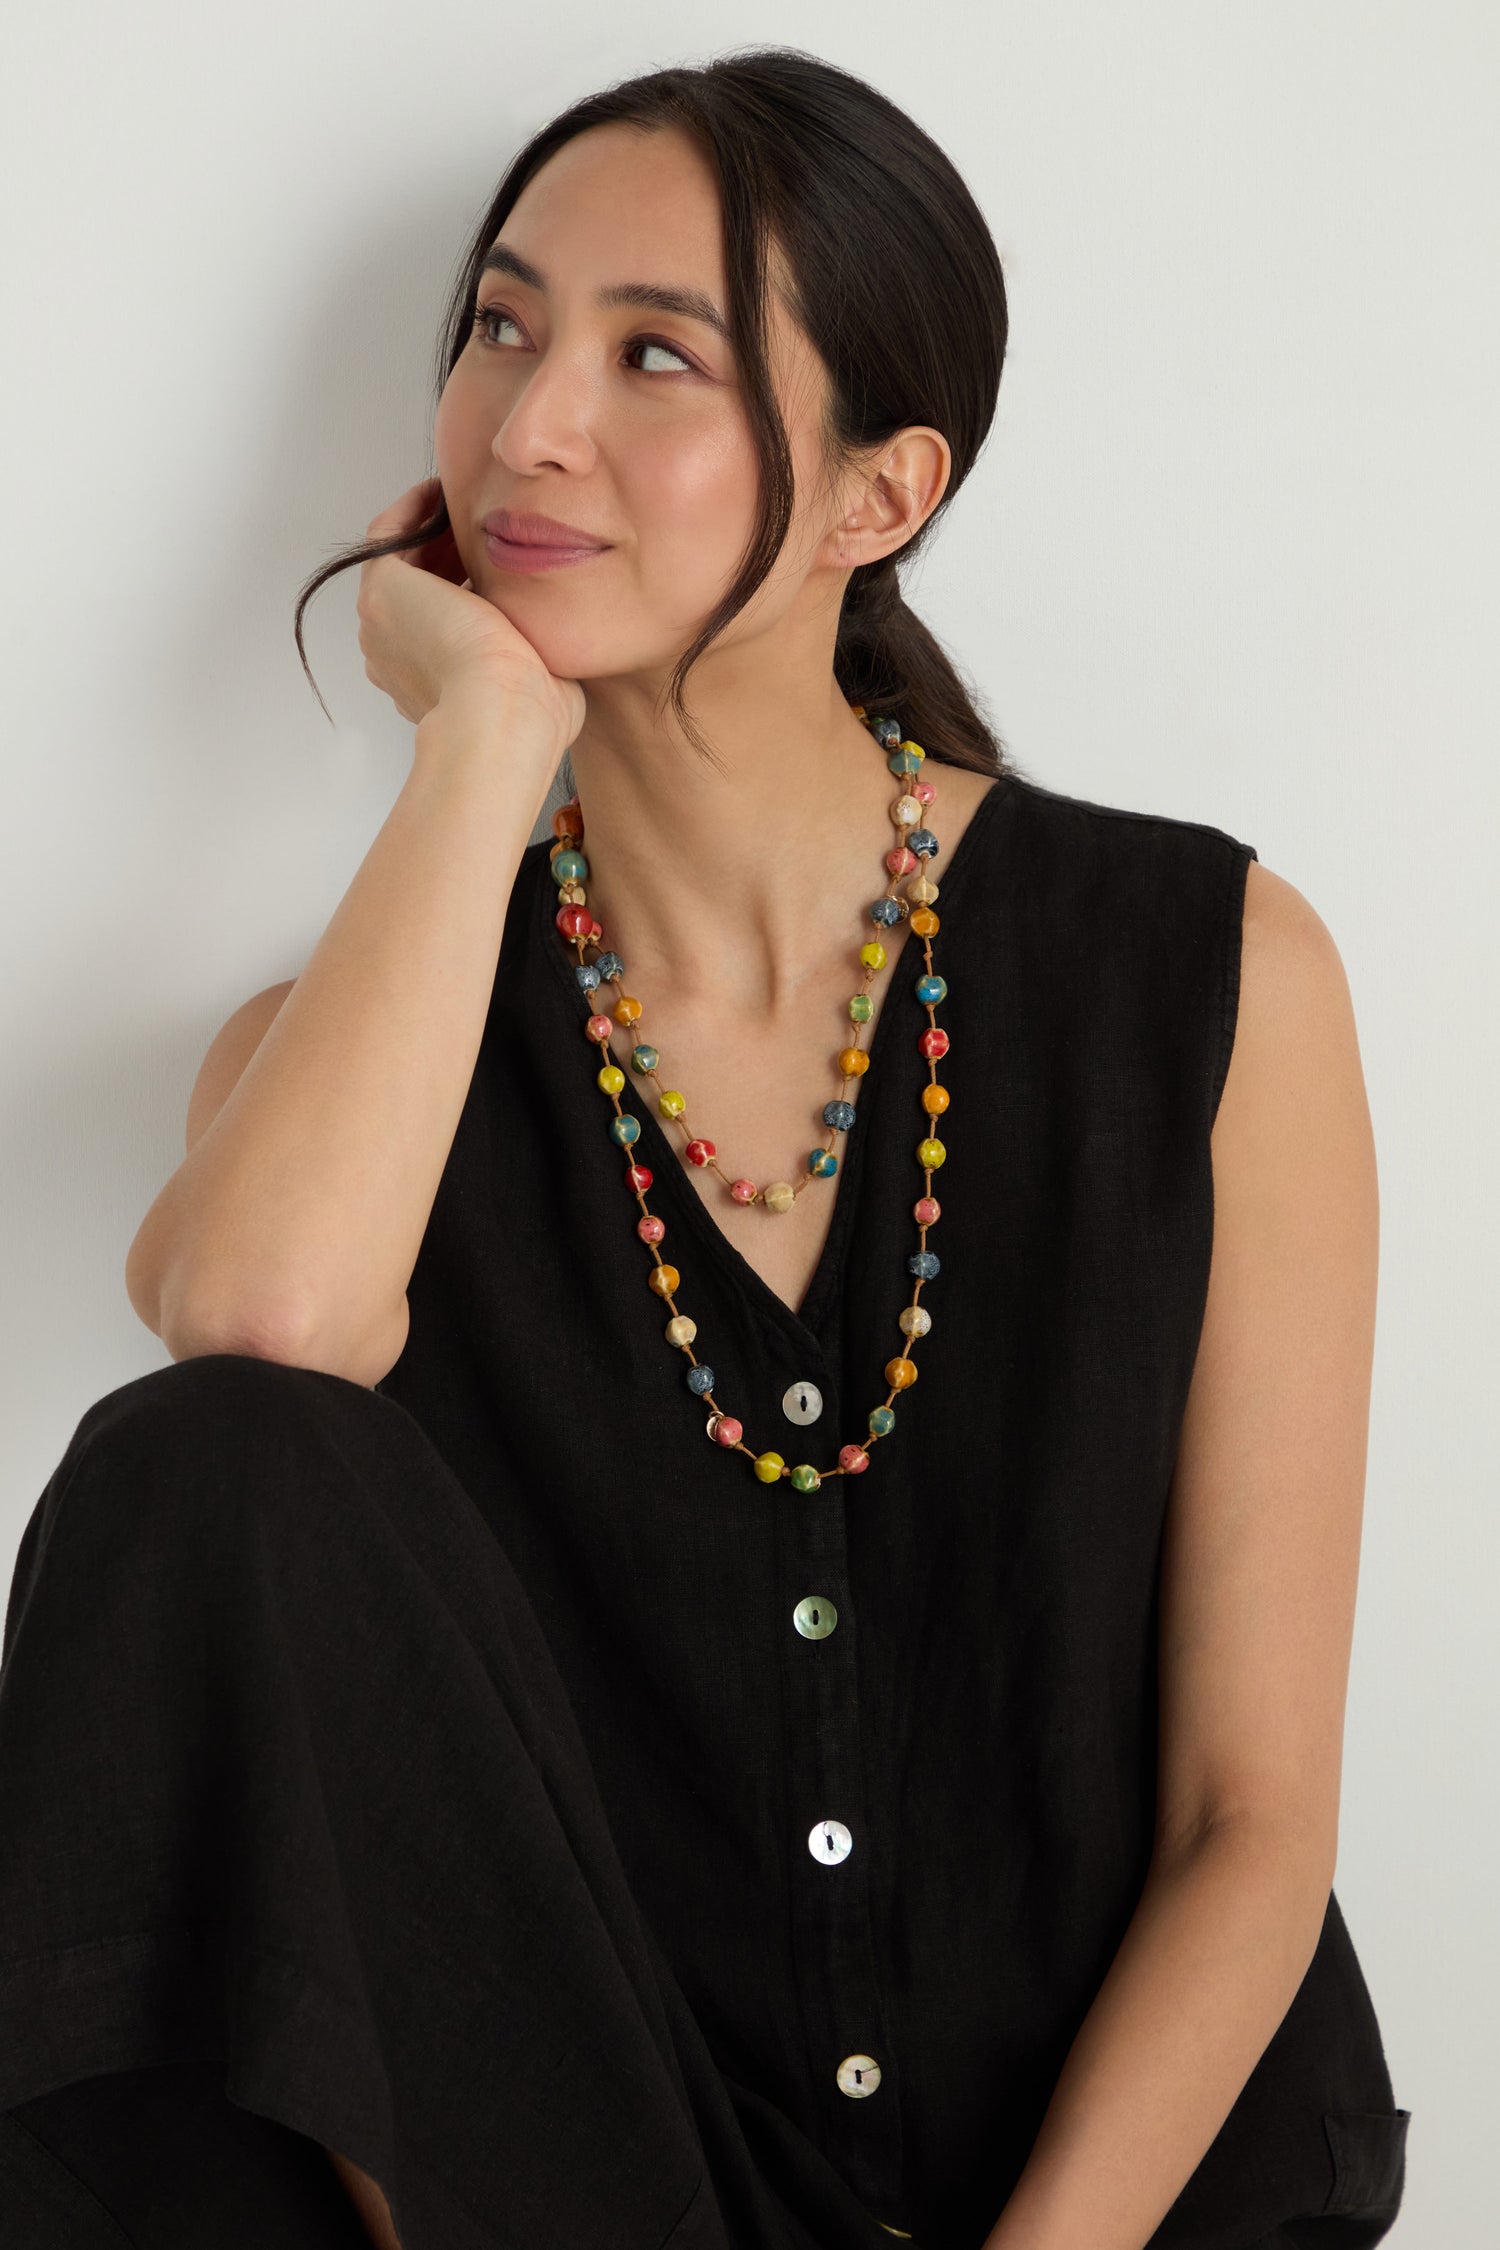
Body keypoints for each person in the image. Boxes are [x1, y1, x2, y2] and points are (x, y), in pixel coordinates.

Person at [0, 46, 1408, 2250]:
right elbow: (257, 1336)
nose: (529, 423)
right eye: (499, 326)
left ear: (879, 493)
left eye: (655, 351)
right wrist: (482, 743)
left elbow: (1255, 1819)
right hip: (606, 2185)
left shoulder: (1206, 977)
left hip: (1134, 2205)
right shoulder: (355, 1061)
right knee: (204, 1464)